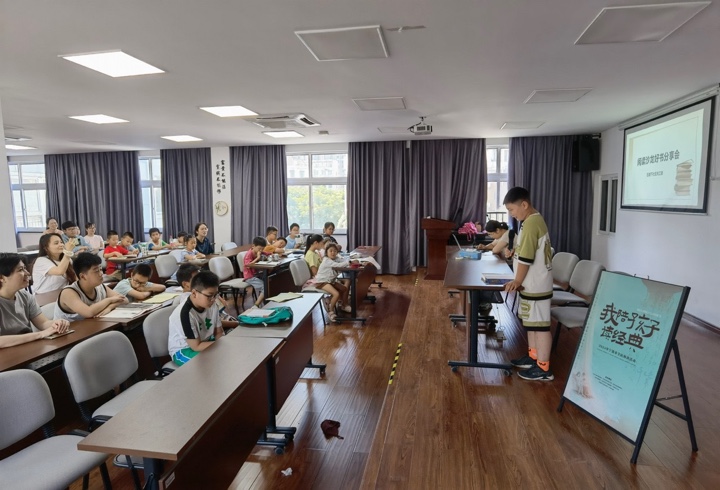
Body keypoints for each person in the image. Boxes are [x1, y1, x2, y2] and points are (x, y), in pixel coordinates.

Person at [503, 186, 554, 381]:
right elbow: (526, 251)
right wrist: (514, 253)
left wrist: (517, 280)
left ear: (524, 205)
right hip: (531, 284)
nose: (511, 214)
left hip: (536, 285)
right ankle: (533, 357)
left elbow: (527, 259)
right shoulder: (530, 221)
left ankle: (543, 368)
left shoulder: (532, 223)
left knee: (540, 327)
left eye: (512, 209)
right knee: (532, 324)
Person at [0, 253, 71, 348]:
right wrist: (40, 334)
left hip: (28, 348)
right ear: (2, 278)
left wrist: (57, 323)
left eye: (25, 268)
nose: (27, 273)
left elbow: (43, 323)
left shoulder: (25, 296)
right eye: (20, 270)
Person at [167, 271, 225, 366]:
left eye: (216, 295)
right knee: (211, 364)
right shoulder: (185, 314)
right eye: (209, 296)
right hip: (185, 350)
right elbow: (196, 346)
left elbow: (219, 332)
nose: (214, 299)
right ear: (194, 293)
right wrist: (222, 345)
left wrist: (223, 345)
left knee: (225, 356)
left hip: (205, 341)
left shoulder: (213, 304)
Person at [55, 252, 127, 321]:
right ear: (83, 276)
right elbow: (88, 313)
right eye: (96, 271)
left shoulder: (100, 287)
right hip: (71, 329)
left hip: (93, 326)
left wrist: (110, 307)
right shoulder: (68, 292)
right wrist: (109, 300)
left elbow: (125, 300)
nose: (101, 273)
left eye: (101, 269)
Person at [315, 242, 354, 322]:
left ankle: (333, 301)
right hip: (322, 282)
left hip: (330, 281)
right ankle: (331, 311)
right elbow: (338, 265)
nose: (333, 253)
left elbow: (342, 260)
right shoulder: (327, 260)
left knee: (344, 289)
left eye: (335, 251)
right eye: (331, 251)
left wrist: (351, 260)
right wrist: (349, 262)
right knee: (336, 294)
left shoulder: (335, 258)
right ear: (326, 252)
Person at [243, 236, 267, 307]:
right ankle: (256, 305)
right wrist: (258, 258)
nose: (261, 250)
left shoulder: (258, 252)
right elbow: (247, 265)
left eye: (263, 249)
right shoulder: (249, 254)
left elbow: (266, 253)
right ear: (253, 246)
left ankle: (266, 303)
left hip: (256, 274)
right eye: (259, 248)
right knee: (265, 286)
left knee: (269, 281)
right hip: (249, 277)